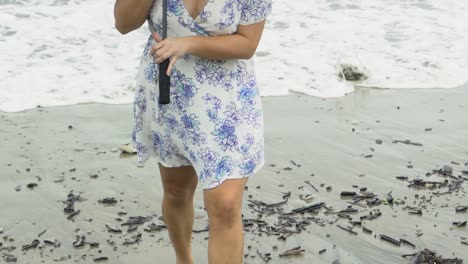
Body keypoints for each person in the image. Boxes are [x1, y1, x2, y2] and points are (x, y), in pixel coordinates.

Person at [114, 0, 272, 263]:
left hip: (228, 101)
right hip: (172, 93)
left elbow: (247, 44)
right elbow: (123, 23)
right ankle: (184, 259)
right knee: (176, 191)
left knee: (225, 205)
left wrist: (187, 43)